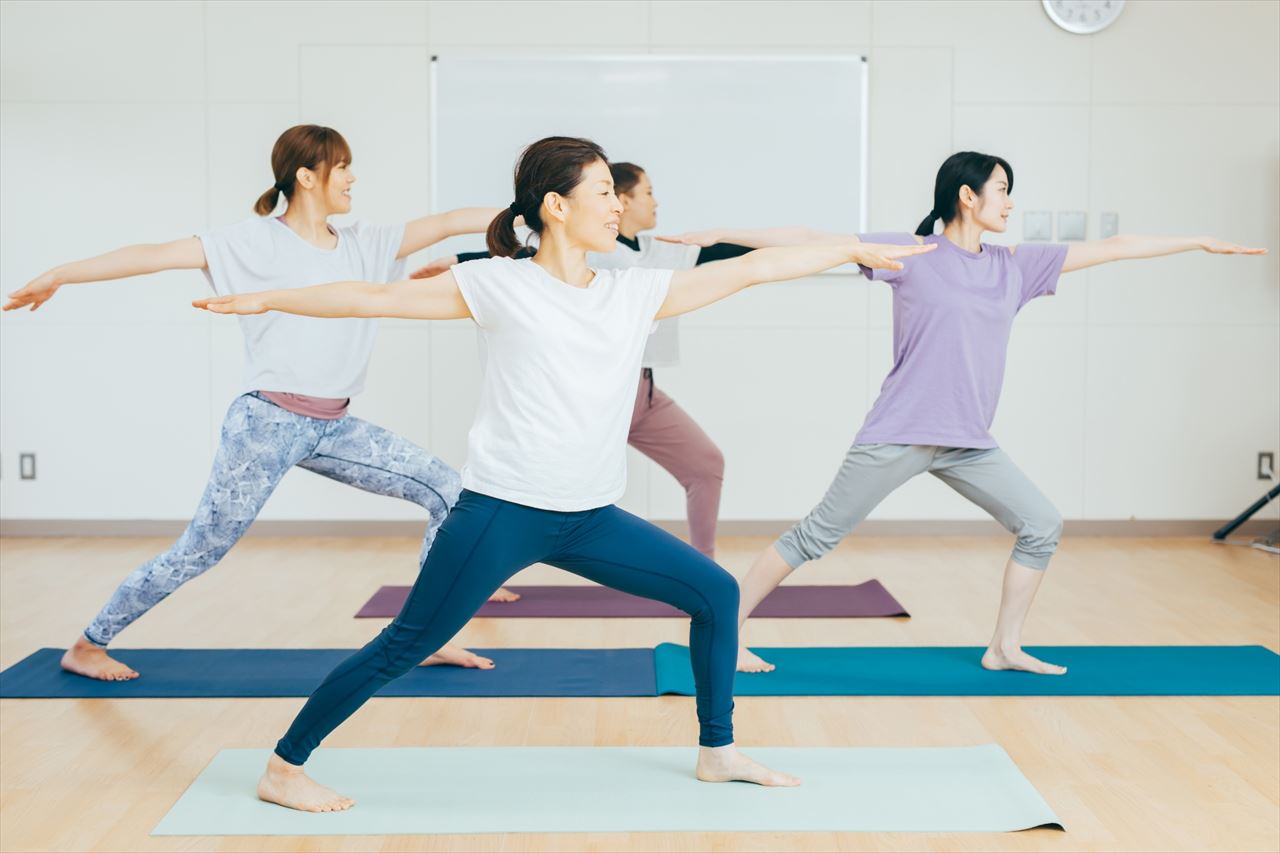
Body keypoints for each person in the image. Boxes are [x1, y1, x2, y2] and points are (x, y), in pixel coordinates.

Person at [195, 135, 934, 812]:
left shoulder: (632, 293)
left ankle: (718, 750)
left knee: (715, 590)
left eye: (619, 192)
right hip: (500, 512)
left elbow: (754, 268)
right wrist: (267, 298)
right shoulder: (497, 284)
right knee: (405, 644)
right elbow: (373, 296)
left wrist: (851, 249)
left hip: (588, 516)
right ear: (556, 206)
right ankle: (285, 766)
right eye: (605, 191)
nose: (619, 204)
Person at [662, 150, 1266, 674]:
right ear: (967, 196)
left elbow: (1113, 248)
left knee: (1042, 524)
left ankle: (1004, 646)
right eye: (1002, 191)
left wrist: (1198, 241)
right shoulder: (911, 252)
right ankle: (727, 633)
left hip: (968, 440)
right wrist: (721, 233)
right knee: (817, 534)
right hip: (898, 431)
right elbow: (811, 235)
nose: (1010, 203)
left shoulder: (1016, 267)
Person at [4, 124, 517, 681]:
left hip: (334, 425)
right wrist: (58, 275)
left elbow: (453, 221)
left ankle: (422, 637)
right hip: (266, 422)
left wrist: (532, 210)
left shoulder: (367, 243)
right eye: (341, 166)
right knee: (202, 550)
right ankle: (87, 645)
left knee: (448, 490)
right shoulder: (251, 243)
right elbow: (151, 255)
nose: (352, 177)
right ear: (306, 175)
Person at [417, 161, 752, 559]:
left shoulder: (660, 252)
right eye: (646, 192)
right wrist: (460, 257)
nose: (655, 201)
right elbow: (533, 255)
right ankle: (478, 565)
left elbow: (737, 258)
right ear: (622, 200)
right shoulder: (599, 254)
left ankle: (705, 560)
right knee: (525, 494)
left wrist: (786, 244)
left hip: (641, 394)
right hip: (585, 394)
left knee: (705, 463)